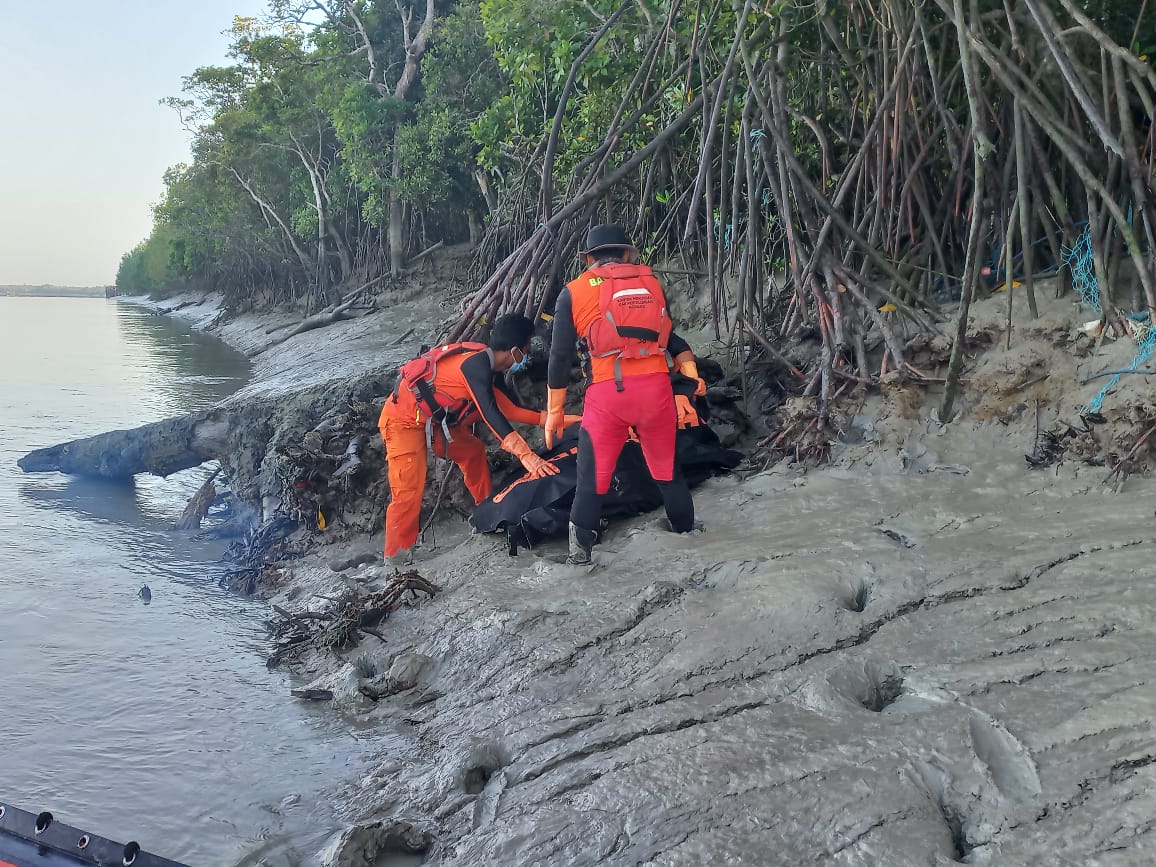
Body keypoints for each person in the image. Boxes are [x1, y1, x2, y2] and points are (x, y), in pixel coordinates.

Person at [545, 224, 706, 565]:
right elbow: (670, 338)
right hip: (656, 392)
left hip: (607, 398)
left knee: (592, 482)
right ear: (627, 253)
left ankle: (579, 562)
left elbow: (558, 357)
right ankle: (690, 544)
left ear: (589, 259)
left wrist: (555, 411)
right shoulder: (651, 284)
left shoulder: (573, 291)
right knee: (667, 473)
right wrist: (690, 377)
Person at [379, 314, 580, 565]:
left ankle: (487, 512)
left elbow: (514, 411)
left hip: (435, 423)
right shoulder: (473, 367)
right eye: (527, 349)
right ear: (516, 349)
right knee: (407, 491)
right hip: (403, 421)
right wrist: (527, 456)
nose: (527, 355)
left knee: (473, 452)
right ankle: (396, 560)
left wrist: (576, 420)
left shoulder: (490, 368)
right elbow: (490, 413)